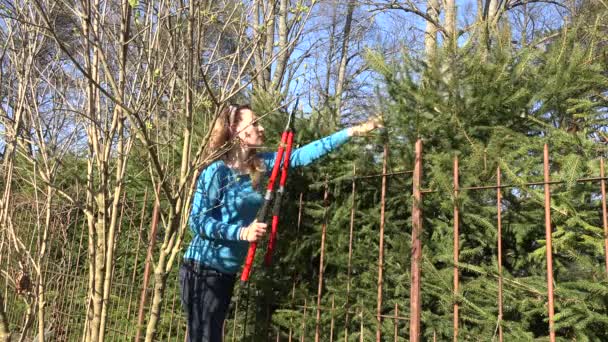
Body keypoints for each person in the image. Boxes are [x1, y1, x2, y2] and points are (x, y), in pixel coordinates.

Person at [180, 104, 382, 341]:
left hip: (226, 271)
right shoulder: (217, 172)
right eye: (255, 123)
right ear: (235, 129)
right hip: (202, 268)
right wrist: (242, 233)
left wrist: (351, 132)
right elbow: (197, 221)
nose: (262, 128)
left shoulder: (261, 164)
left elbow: (299, 156)